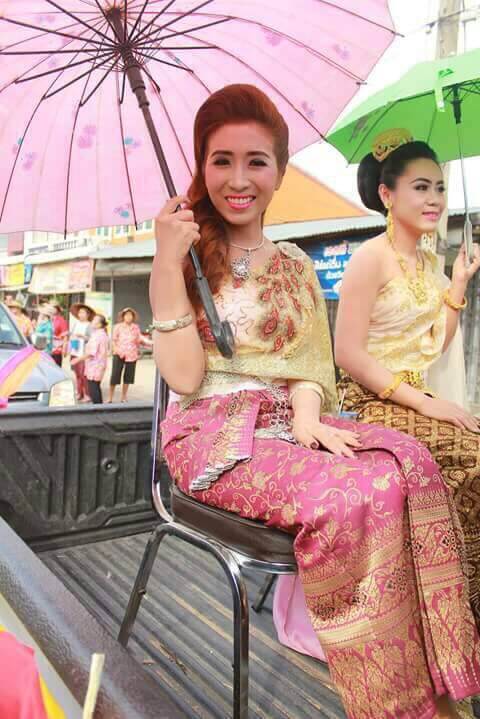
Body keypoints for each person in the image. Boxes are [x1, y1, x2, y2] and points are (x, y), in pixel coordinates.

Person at [151, 86, 480, 718]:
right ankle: (394, 703)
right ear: (201, 167)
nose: (238, 178)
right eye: (221, 161)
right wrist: (168, 266)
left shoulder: (299, 265)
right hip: (211, 436)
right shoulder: (183, 255)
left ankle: (441, 678)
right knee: (356, 494)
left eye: (256, 161)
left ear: (278, 172)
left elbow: (308, 367)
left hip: (288, 426)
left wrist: (308, 421)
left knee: (409, 465)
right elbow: (185, 378)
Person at [331, 131, 480, 631]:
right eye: (420, 187)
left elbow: (434, 343)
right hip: (367, 401)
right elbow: (347, 353)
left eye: (439, 187)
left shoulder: (430, 265)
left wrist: (457, 287)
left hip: (414, 396)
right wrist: (427, 404)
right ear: (387, 195)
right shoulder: (369, 258)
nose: (434, 198)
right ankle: (444, 618)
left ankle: (461, 611)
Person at [108, 308, 151, 403]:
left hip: (131, 355)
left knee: (128, 377)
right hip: (119, 354)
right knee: (115, 376)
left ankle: (123, 396)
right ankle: (110, 397)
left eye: (130, 315)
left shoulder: (135, 327)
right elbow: (113, 340)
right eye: (126, 315)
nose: (128, 317)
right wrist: (116, 350)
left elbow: (139, 338)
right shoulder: (118, 327)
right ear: (123, 316)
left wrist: (150, 342)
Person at [71, 314, 109, 404]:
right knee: (95, 387)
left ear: (99, 324)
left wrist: (77, 359)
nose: (92, 321)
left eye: (95, 320)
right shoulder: (101, 333)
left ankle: (98, 409)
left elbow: (91, 353)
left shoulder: (98, 335)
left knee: (93, 389)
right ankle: (100, 408)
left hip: (95, 365)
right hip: (98, 364)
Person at [69, 303, 94, 402]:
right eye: (80, 312)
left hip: (83, 353)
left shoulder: (90, 325)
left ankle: (87, 394)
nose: (81, 314)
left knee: (84, 374)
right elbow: (72, 335)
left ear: (88, 315)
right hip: (75, 350)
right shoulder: (76, 324)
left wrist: (83, 337)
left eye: (83, 313)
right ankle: (80, 393)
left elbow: (92, 339)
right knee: (77, 374)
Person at [50, 303, 69, 367]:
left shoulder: (61, 320)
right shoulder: (47, 319)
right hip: (47, 347)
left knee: (56, 366)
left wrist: (64, 348)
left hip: (57, 347)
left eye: (54, 308)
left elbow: (65, 335)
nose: (52, 309)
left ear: (57, 310)